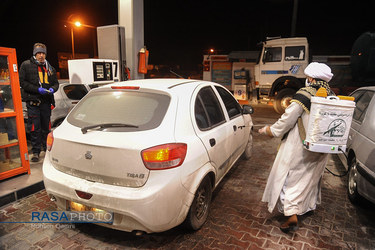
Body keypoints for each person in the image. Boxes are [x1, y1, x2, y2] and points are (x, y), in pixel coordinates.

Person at [258, 62, 334, 233]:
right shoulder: (332, 95)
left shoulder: (305, 93)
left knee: (290, 179)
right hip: (321, 147)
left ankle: (292, 215)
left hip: (300, 146)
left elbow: (288, 118)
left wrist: (271, 130)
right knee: (310, 178)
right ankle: (307, 206)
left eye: (308, 77)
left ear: (311, 78)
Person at [19, 43, 59, 162]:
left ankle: (47, 149)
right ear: (35, 54)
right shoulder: (26, 65)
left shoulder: (50, 68)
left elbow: (56, 84)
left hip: (46, 102)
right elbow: (22, 83)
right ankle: (36, 152)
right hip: (33, 102)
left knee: (46, 128)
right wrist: (37, 89)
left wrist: (53, 89)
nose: (41, 55)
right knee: (34, 128)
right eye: (39, 53)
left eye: (43, 53)